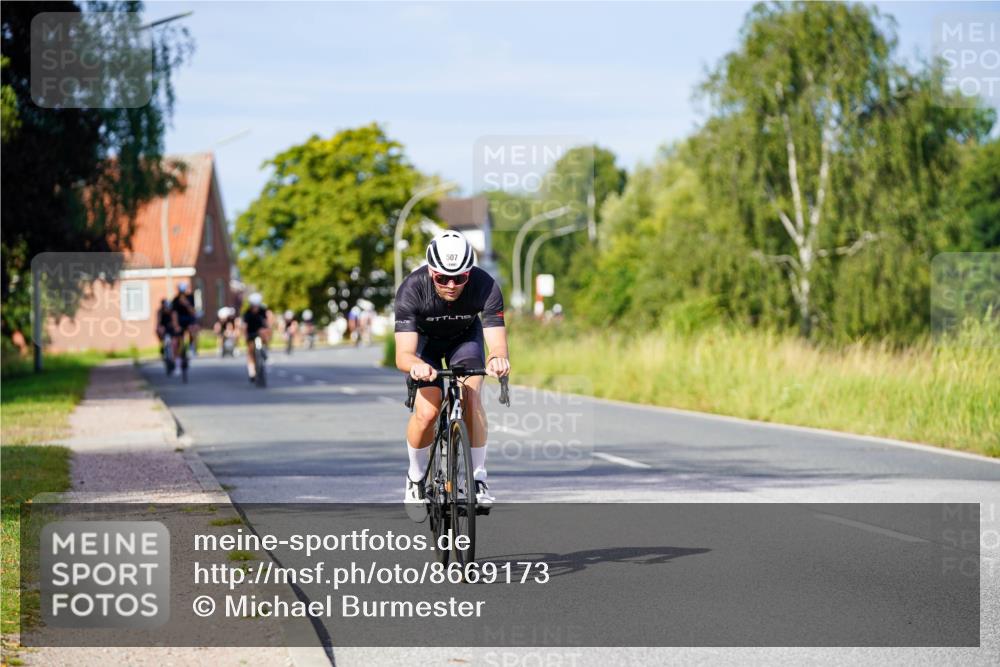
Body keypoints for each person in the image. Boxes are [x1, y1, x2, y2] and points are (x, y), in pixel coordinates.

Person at [394, 230, 510, 520]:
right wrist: (416, 365)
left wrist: (497, 359)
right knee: (428, 412)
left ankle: (478, 478)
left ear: (469, 273)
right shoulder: (412, 289)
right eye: (442, 278)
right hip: (425, 345)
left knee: (471, 398)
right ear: (430, 271)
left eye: (460, 278)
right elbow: (403, 355)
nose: (451, 285)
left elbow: (497, 345)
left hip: (464, 340)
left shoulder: (485, 285)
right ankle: (416, 477)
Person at [241, 293, 271, 382]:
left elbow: (266, 322)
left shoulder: (263, 311)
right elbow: (245, 327)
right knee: (250, 351)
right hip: (251, 333)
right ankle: (252, 372)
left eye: (257, 306)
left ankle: (264, 350)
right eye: (254, 306)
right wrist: (245, 336)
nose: (255, 308)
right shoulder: (247, 313)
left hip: (260, 332)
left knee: (264, 334)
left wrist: (267, 331)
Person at [170, 283, 198, 372]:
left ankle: (192, 347)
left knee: (193, 329)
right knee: (176, 342)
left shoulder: (190, 297)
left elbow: (193, 312)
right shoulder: (175, 300)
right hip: (179, 321)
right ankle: (177, 365)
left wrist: (186, 304)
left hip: (189, 319)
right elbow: (174, 314)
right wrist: (176, 326)